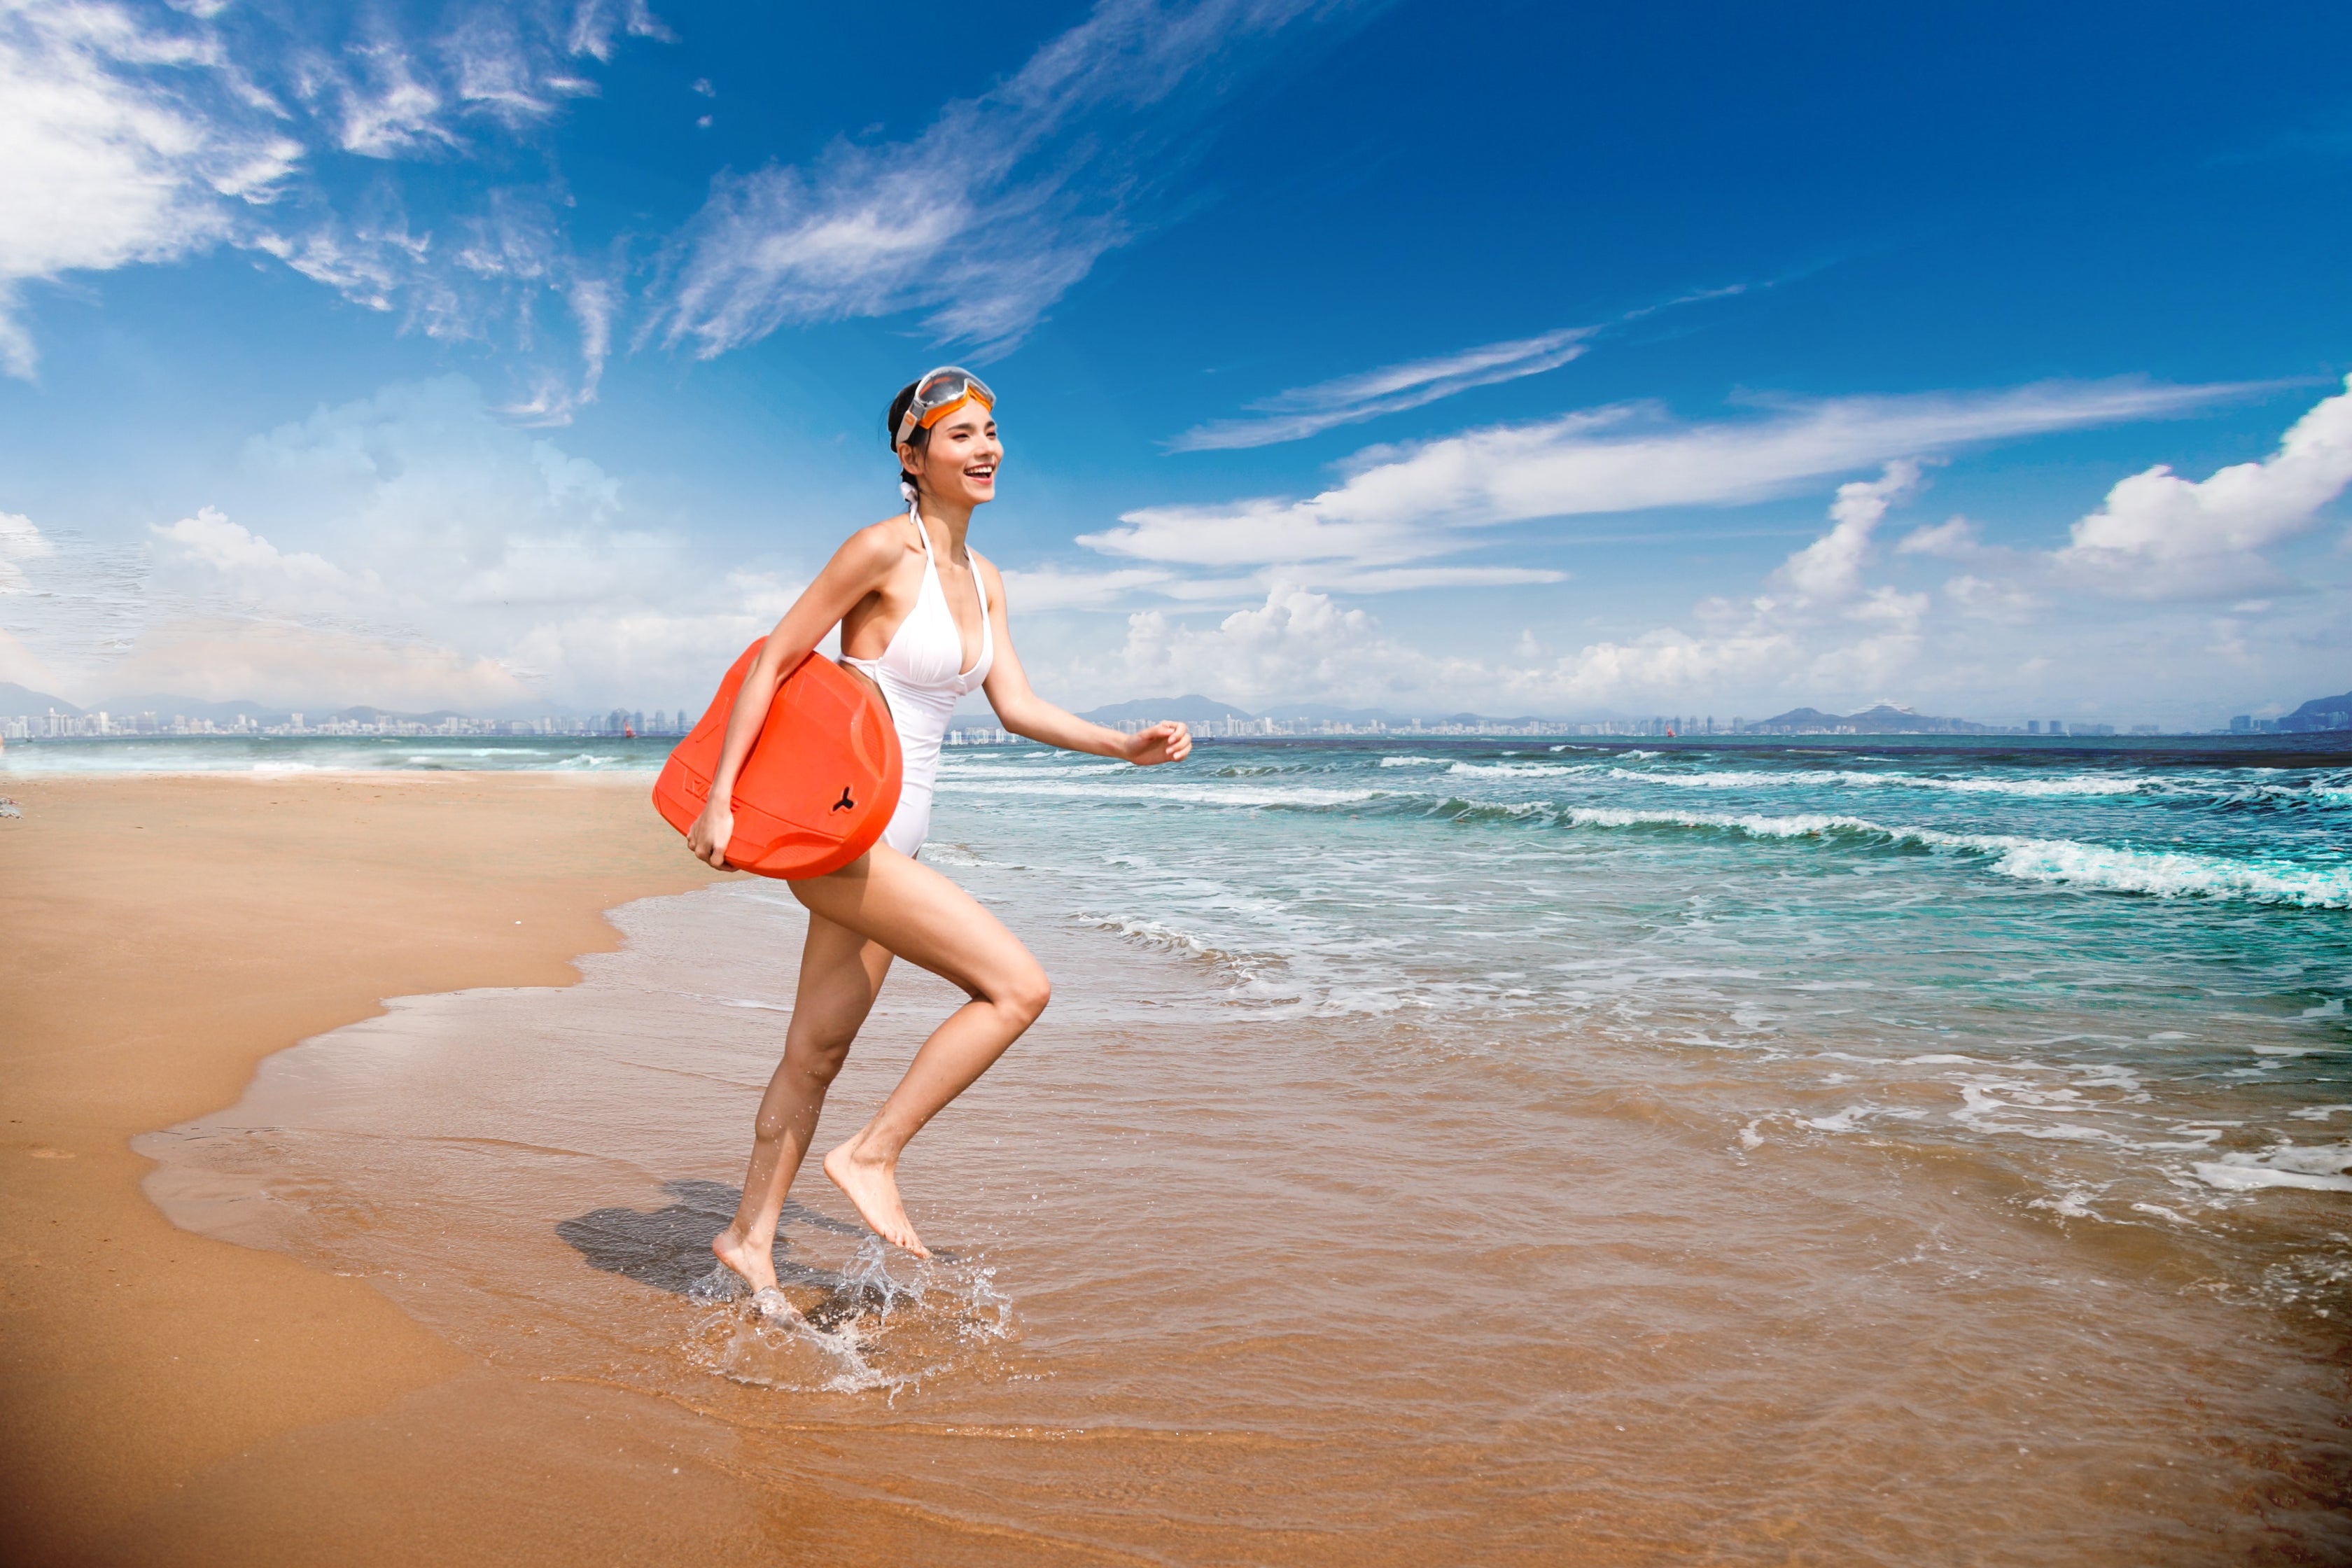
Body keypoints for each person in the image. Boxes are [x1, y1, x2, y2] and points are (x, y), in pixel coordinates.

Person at [687, 368, 1190, 1294]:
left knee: (817, 1052)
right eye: (962, 435)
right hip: (844, 837)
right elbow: (772, 661)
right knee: (1017, 987)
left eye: (992, 430)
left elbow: (1018, 705)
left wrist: (1121, 745)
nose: (988, 447)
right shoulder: (880, 551)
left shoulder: (985, 578)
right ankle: (873, 1155)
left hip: (898, 844)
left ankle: (749, 1241)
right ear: (911, 455)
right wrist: (720, 799)